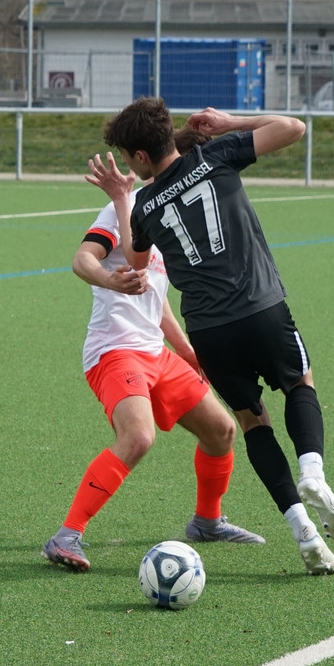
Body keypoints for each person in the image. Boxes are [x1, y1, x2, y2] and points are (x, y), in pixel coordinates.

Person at [86, 97, 334, 575]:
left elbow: (137, 258)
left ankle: (304, 532)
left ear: (140, 157)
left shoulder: (145, 203)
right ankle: (312, 471)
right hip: (261, 308)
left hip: (209, 331)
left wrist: (123, 199)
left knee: (251, 421)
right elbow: (293, 127)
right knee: (300, 382)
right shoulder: (216, 155)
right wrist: (232, 123)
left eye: (127, 157)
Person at [42, 127, 264, 574]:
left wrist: (187, 351)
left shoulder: (162, 213)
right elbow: (82, 260)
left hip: (155, 353)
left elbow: (156, 298)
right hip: (114, 351)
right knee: (138, 437)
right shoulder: (119, 210)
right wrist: (110, 279)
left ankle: (207, 522)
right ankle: (66, 536)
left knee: (222, 431)